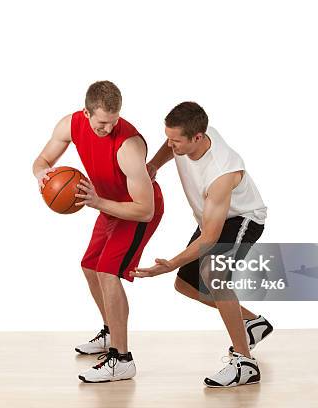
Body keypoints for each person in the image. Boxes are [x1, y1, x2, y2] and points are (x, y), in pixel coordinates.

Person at [131, 102, 272, 387]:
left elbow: (209, 238)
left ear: (197, 137)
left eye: (176, 141)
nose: (171, 145)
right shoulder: (192, 134)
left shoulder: (221, 171)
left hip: (241, 218)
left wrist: (170, 264)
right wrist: (155, 164)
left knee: (215, 277)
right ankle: (253, 323)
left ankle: (245, 364)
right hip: (212, 217)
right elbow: (171, 142)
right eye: (168, 138)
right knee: (186, 285)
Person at [32, 81, 164, 383]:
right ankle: (110, 332)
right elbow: (41, 161)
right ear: (86, 113)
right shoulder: (71, 124)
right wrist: (42, 174)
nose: (109, 126)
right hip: (106, 203)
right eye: (102, 121)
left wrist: (96, 201)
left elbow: (145, 210)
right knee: (90, 266)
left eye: (114, 120)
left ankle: (122, 358)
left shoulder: (129, 146)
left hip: (136, 210)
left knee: (107, 271)